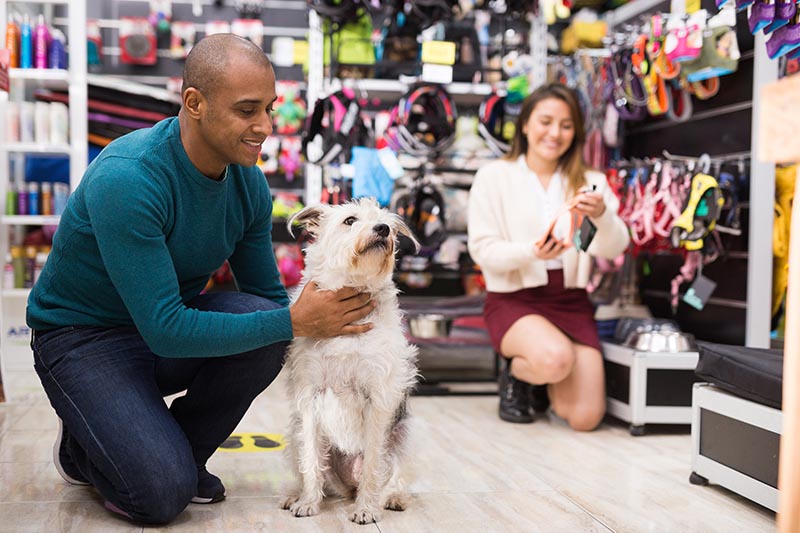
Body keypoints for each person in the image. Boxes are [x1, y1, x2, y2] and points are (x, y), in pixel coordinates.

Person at [26, 34, 376, 525]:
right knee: (158, 498)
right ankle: (86, 448)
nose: (265, 127)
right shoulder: (130, 178)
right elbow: (167, 327)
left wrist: (338, 343)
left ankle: (171, 452)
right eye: (247, 111)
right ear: (194, 103)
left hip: (160, 331)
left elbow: (270, 302)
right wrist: (297, 321)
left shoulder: (247, 182)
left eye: (270, 109)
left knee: (265, 324)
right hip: (82, 338)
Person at [467, 82, 630, 430]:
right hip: (513, 299)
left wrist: (602, 215)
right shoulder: (494, 176)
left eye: (566, 125)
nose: (555, 133)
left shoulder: (592, 181)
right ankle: (519, 374)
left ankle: (544, 381)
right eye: (545, 121)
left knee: (586, 419)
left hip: (570, 300)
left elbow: (614, 247)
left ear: (577, 132)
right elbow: (483, 250)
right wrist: (532, 252)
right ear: (525, 124)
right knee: (555, 358)